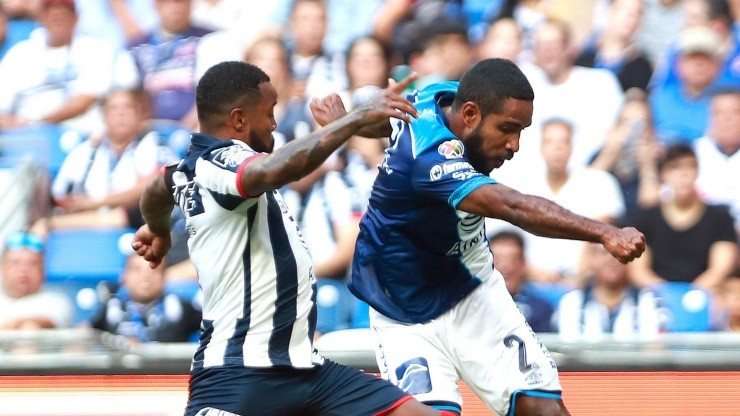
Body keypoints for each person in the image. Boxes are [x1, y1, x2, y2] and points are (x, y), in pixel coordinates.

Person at [327, 58, 646, 416]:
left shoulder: (438, 95)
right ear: (470, 115)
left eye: (522, 130)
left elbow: (389, 119)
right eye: (508, 129)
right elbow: (514, 207)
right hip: (403, 314)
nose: (515, 144)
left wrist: (346, 121)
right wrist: (605, 232)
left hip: (472, 292)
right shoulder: (430, 158)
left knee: (544, 412)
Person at [131, 60, 447, 416]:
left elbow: (156, 190)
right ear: (238, 120)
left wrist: (157, 228)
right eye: (269, 113)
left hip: (307, 372)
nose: (274, 124)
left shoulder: (186, 170)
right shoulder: (218, 160)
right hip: (239, 374)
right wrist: (353, 120)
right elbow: (273, 169)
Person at [626, 144, 737, 292]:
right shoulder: (647, 217)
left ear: (698, 172)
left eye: (690, 167)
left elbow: (721, 269)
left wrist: (690, 295)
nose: (684, 174)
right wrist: (669, 294)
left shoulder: (719, 216)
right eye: (675, 168)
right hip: (656, 298)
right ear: (663, 174)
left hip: (705, 297)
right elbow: (639, 271)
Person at [555, 243, 663, 341]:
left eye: (619, 253)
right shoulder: (571, 301)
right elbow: (565, 351)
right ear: (591, 259)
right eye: (604, 253)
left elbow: (654, 350)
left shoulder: (650, 300)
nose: (612, 260)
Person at [90, 254, 201, 343]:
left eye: (154, 270)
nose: (145, 276)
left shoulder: (179, 307)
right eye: (137, 270)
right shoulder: (111, 307)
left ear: (164, 277)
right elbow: (86, 335)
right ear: (124, 276)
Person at [0, 230, 73, 330]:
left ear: (43, 269)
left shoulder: (56, 302)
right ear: (2, 267)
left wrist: (17, 325)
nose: (23, 270)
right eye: (15, 263)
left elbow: (46, 324)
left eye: (32, 263)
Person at [489, 230, 556, 333]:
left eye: (513, 260)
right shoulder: (473, 305)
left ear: (524, 264)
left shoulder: (540, 308)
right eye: (497, 260)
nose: (506, 267)